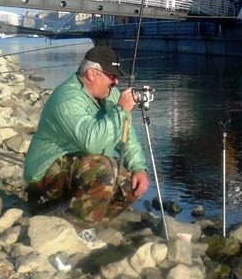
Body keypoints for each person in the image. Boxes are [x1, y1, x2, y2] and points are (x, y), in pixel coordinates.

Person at [23, 46, 149, 226]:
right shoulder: (67, 99)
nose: (116, 81)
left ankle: (91, 222)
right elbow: (93, 144)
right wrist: (121, 111)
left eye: (117, 76)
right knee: (104, 166)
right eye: (111, 76)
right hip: (47, 171)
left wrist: (138, 167)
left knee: (131, 183)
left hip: (78, 165)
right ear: (92, 73)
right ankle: (76, 229)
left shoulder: (110, 94)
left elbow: (126, 134)